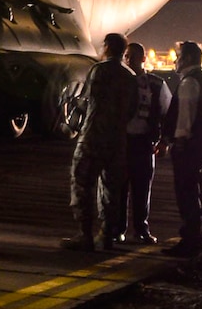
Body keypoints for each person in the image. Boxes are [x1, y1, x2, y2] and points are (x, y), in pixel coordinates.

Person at [64, 32, 136, 252]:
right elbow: (131, 110)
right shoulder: (130, 75)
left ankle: (85, 234)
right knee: (111, 189)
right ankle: (106, 235)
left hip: (93, 136)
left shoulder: (99, 70)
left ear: (107, 47)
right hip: (117, 140)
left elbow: (89, 100)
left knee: (82, 184)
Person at [161, 39, 202, 256]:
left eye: (178, 57)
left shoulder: (189, 83)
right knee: (199, 191)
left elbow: (184, 120)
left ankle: (190, 239)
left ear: (187, 59)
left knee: (186, 193)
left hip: (191, 146)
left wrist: (177, 143)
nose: (175, 61)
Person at [118, 41, 171, 246]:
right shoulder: (119, 82)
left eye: (132, 56)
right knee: (118, 190)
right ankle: (117, 229)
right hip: (122, 142)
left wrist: (164, 141)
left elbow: (167, 113)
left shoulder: (156, 84)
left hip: (143, 142)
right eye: (126, 56)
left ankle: (141, 229)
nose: (128, 60)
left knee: (141, 189)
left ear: (143, 59)